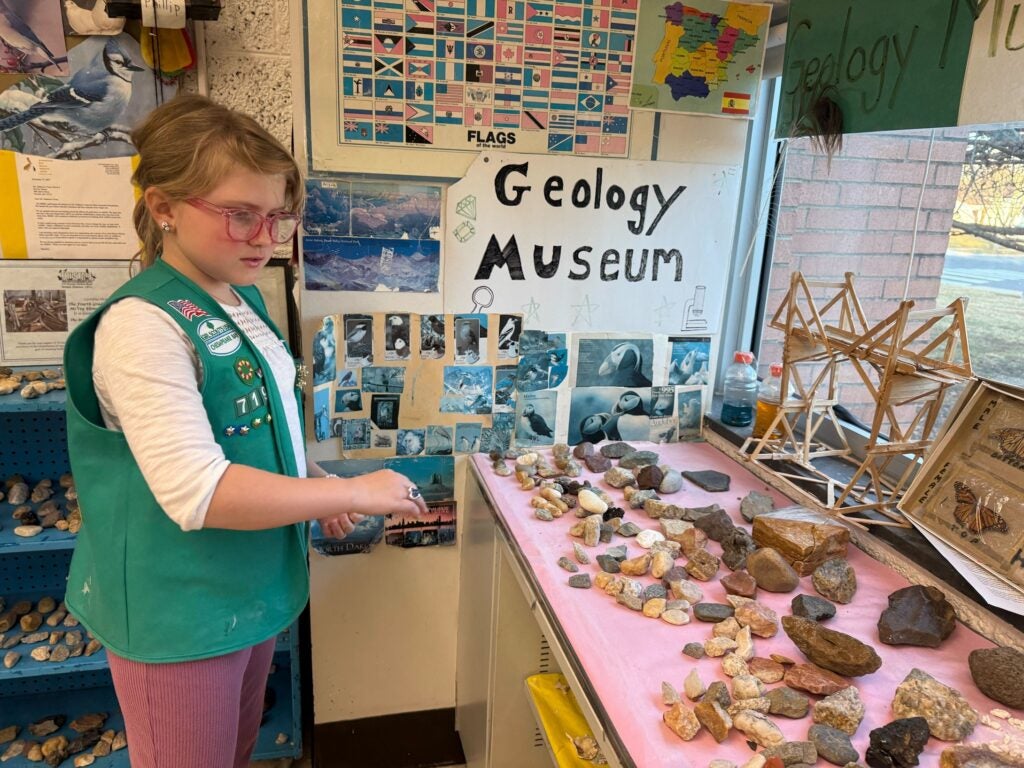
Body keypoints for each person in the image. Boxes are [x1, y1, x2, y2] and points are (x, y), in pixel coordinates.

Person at [61, 93, 427, 768]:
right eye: (240, 216)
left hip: (245, 592)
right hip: (178, 610)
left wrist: (310, 480)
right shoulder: (142, 326)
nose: (266, 237)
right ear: (163, 206)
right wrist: (350, 494)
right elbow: (197, 491)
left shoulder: (239, 296)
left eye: (278, 216)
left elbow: (255, 421)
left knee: (234, 751)